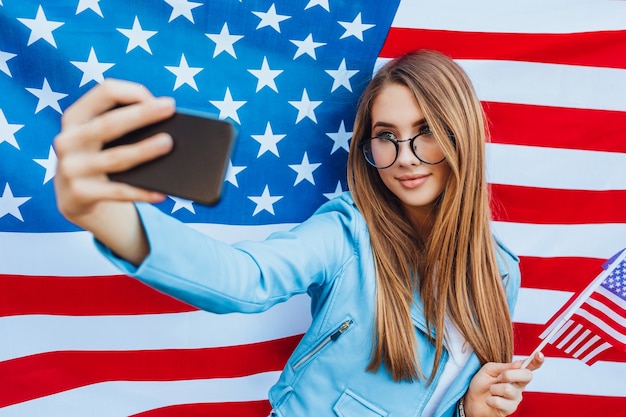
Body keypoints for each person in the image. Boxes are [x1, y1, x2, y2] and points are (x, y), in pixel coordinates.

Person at [54, 50, 544, 416]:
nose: (407, 155)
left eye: (427, 129)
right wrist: (105, 215)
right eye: (386, 136)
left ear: (464, 133)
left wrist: (470, 411)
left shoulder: (500, 272)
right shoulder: (347, 234)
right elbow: (245, 279)